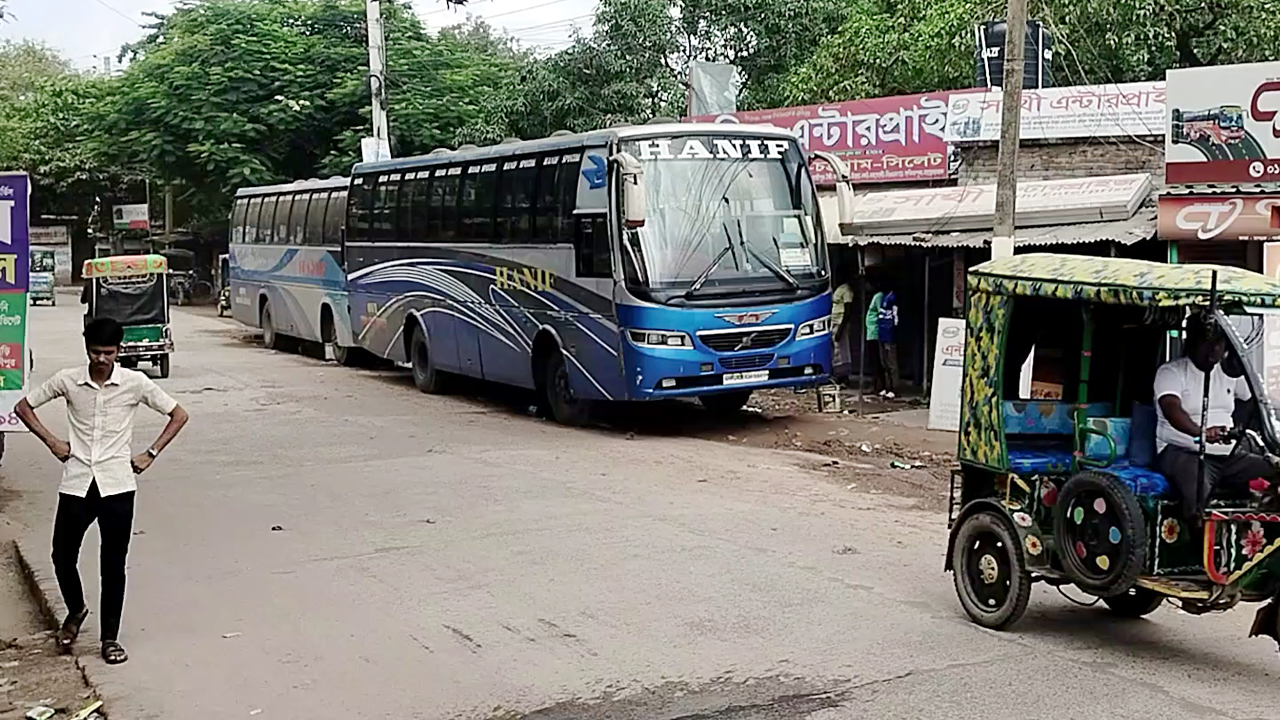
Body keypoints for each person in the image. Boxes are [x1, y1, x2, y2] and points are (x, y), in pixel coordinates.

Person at [15, 317, 189, 665]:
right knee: (61, 556)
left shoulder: (135, 383)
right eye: (96, 352)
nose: (102, 360)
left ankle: (110, 639)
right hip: (77, 482)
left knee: (113, 565)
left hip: (118, 485)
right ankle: (76, 609)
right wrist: (51, 442)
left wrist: (150, 453)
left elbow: (178, 415)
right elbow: (24, 407)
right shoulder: (68, 380)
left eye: (109, 353)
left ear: (119, 351)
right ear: (87, 350)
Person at [1153, 316, 1270, 520]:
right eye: (1207, 344)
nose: (1213, 350)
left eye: (1218, 344)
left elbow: (1254, 399)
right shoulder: (1171, 372)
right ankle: (1197, 544)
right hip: (1182, 452)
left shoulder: (1228, 373)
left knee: (1273, 470)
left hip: (1229, 455)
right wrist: (1201, 432)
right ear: (1192, 342)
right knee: (1198, 495)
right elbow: (1172, 410)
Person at [876, 289, 900, 398]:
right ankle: (887, 387)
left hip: (889, 335)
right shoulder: (883, 298)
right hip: (882, 333)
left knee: (891, 363)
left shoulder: (892, 298)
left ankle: (894, 389)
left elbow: (895, 319)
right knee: (884, 363)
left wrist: (892, 333)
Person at [831, 280, 854, 385]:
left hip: (841, 322)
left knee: (842, 350)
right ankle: (839, 375)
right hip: (834, 322)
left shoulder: (846, 290)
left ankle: (844, 377)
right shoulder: (837, 288)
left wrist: (841, 328)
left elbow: (848, 310)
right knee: (836, 350)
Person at [865, 284, 884, 394]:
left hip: (875, 333)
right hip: (870, 332)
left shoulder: (879, 296)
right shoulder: (875, 296)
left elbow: (880, 313)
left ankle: (878, 386)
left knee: (876, 361)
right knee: (873, 361)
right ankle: (876, 385)